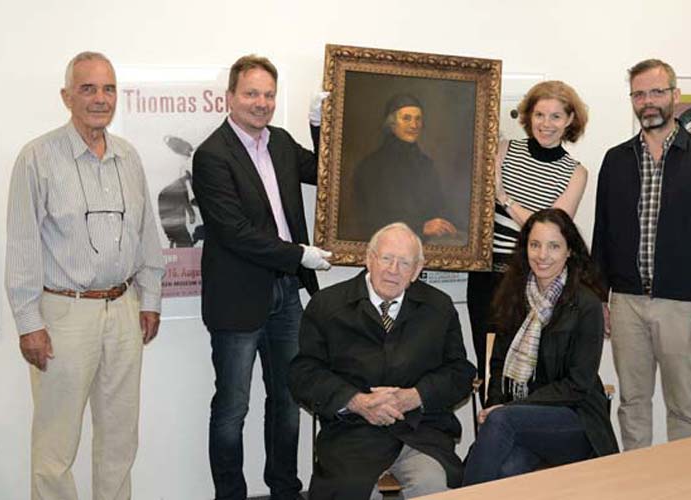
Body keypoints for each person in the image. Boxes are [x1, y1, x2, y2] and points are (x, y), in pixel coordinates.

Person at [5, 51, 165, 500]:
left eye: (108, 88)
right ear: (66, 96)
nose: (100, 98)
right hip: (63, 315)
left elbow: (146, 234)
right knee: (56, 445)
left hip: (123, 312)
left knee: (119, 439)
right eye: (88, 88)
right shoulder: (37, 158)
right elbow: (21, 245)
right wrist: (28, 324)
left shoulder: (128, 157)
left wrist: (149, 298)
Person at [192, 54, 332, 500]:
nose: (261, 103)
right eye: (251, 93)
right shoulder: (212, 155)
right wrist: (299, 255)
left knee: (289, 401)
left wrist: (318, 123)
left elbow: (327, 170)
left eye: (269, 94)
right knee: (233, 408)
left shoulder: (282, 143)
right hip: (238, 299)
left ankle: (285, 490)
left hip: (286, 294)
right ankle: (230, 494)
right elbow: (234, 232)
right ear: (230, 97)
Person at [592, 58, 691, 450]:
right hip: (626, 303)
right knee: (632, 403)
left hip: (684, 306)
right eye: (639, 94)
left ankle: (683, 487)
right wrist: (598, 297)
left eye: (656, 92)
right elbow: (601, 234)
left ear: (675, 95)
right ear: (632, 101)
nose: (648, 101)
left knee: (682, 407)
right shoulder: (616, 160)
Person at [289, 222, 476, 500]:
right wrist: (356, 401)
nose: (393, 270)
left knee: (434, 485)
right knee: (352, 492)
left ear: (416, 271)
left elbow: (460, 372)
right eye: (387, 258)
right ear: (369, 259)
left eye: (404, 263)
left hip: (420, 430)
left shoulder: (439, 307)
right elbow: (304, 373)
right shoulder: (327, 305)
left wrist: (415, 396)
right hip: (352, 432)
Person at [463, 208, 618, 485]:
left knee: (501, 423)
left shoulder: (586, 304)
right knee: (506, 470)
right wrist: (497, 402)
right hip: (520, 421)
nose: (542, 255)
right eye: (535, 245)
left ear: (570, 250)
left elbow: (578, 384)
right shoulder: (513, 294)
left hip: (575, 420)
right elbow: (497, 364)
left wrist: (510, 409)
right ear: (525, 249)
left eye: (553, 246)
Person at [466, 80, 589, 401]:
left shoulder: (576, 173)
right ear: (528, 116)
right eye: (540, 115)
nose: (546, 124)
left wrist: (506, 200)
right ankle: (492, 427)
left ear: (570, 121)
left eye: (556, 116)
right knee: (490, 367)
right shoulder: (504, 150)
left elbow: (550, 228)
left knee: (532, 369)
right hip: (487, 277)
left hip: (534, 281)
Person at [348, 94, 459, 241]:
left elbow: (439, 206)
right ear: (392, 123)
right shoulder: (372, 166)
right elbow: (374, 220)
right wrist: (421, 227)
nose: (414, 125)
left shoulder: (426, 164)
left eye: (418, 119)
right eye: (406, 118)